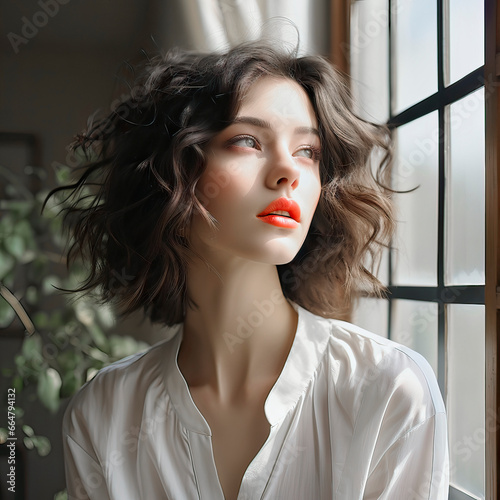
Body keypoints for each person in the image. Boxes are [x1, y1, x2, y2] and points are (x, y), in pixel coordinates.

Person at [54, 41, 449, 499]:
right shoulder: (103, 413)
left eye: (308, 151)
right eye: (248, 140)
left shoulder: (389, 391)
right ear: (172, 172)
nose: (288, 171)